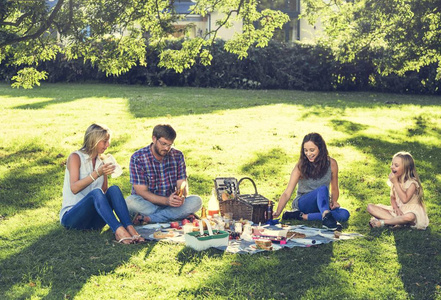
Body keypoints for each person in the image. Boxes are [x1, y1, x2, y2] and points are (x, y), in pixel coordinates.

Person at [60, 124, 145, 244]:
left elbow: (104, 191)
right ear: (94, 140)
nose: (108, 145)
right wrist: (97, 173)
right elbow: (74, 188)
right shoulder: (75, 157)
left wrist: (106, 173)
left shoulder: (102, 160)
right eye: (104, 141)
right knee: (95, 193)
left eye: (108, 141)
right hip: (72, 218)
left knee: (114, 189)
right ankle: (119, 231)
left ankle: (129, 228)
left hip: (94, 222)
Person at [126, 124, 202, 224]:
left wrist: (181, 197)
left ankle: (150, 218)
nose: (166, 148)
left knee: (196, 201)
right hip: (148, 204)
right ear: (154, 139)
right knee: (130, 201)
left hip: (171, 204)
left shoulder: (177, 156)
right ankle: (173, 216)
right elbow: (142, 192)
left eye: (170, 145)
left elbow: (182, 184)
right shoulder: (138, 158)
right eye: (163, 144)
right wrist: (166, 201)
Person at [273, 133, 350, 230]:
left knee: (344, 214)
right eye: (305, 150)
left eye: (312, 150)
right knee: (322, 189)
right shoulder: (300, 166)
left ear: (320, 149)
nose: (308, 154)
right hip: (304, 202)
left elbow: (334, 188)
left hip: (322, 203)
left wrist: (333, 201)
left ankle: (302, 216)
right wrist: (278, 212)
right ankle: (326, 215)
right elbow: (287, 193)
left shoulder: (332, 164)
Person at [367, 152, 429, 229]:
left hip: (411, 211)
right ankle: (398, 222)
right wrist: (396, 208)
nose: (392, 167)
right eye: (392, 164)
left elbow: (404, 200)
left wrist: (395, 183)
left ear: (406, 168)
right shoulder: (395, 180)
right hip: (399, 211)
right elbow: (392, 197)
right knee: (370, 207)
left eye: (396, 165)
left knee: (409, 217)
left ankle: (383, 222)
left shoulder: (412, 183)